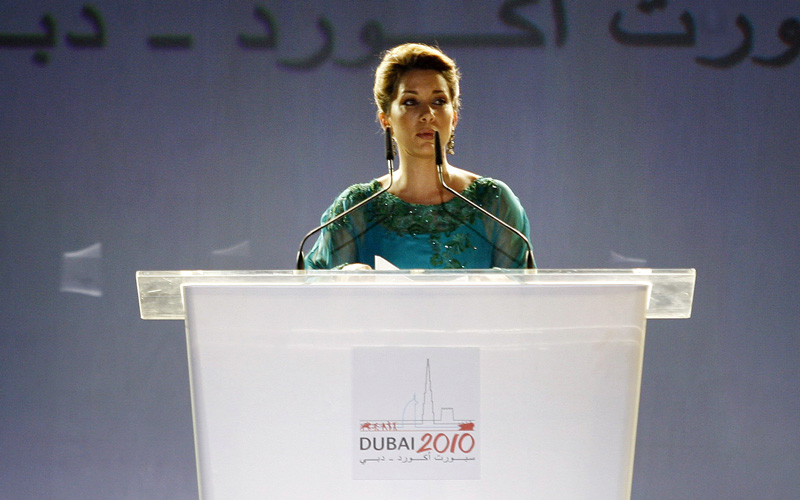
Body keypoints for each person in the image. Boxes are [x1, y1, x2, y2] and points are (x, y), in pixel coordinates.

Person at [305, 43, 533, 270]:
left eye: (439, 101)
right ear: (386, 120)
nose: (427, 115)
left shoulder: (493, 202)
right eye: (411, 102)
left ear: (454, 117)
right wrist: (342, 277)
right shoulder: (356, 208)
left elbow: (524, 296)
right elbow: (313, 289)